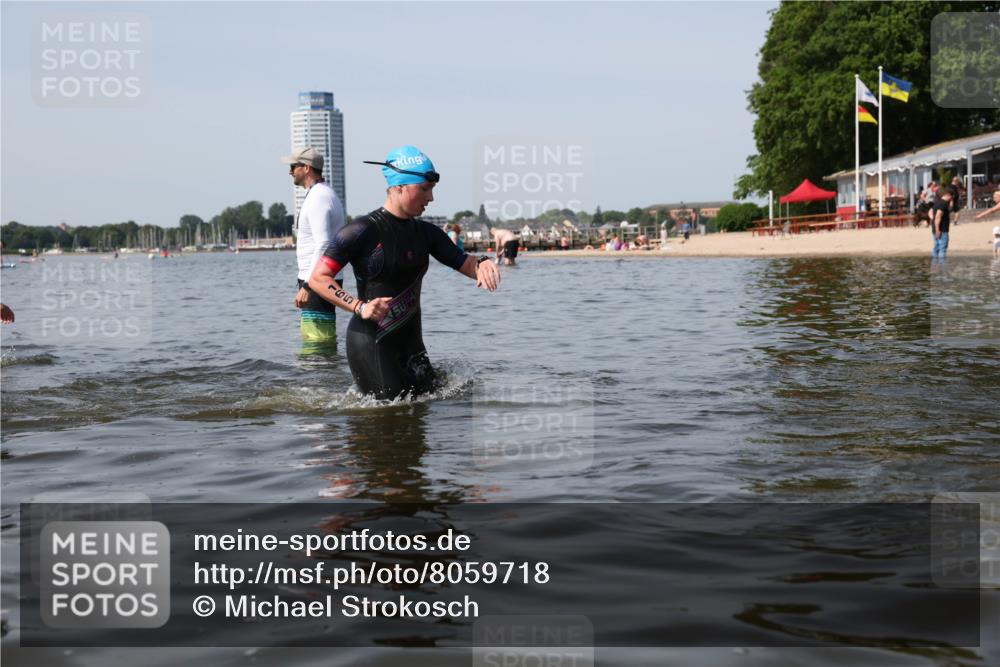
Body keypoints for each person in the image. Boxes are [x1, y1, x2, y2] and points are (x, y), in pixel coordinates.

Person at [307, 145, 500, 399]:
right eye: (425, 189)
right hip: (371, 341)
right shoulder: (361, 231)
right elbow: (318, 279)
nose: (431, 198)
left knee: (431, 409)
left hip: (412, 344)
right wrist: (359, 306)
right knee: (389, 414)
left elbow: (465, 262)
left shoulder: (427, 233)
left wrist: (482, 263)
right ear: (400, 186)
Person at [281, 146, 345, 346]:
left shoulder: (319, 197)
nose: (290, 171)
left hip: (318, 280)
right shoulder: (318, 194)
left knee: (317, 340)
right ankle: (321, 366)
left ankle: (320, 366)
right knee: (315, 337)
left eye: (294, 166)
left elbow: (323, 243)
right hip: (317, 277)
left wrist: (308, 285)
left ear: (307, 168)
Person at [931, 186, 955, 262]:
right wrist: (938, 229)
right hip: (942, 230)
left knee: (936, 248)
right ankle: (942, 267)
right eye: (952, 197)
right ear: (948, 195)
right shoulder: (943, 204)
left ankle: (934, 265)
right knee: (942, 249)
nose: (952, 198)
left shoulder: (937, 203)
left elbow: (931, 213)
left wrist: (934, 223)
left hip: (935, 229)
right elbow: (938, 216)